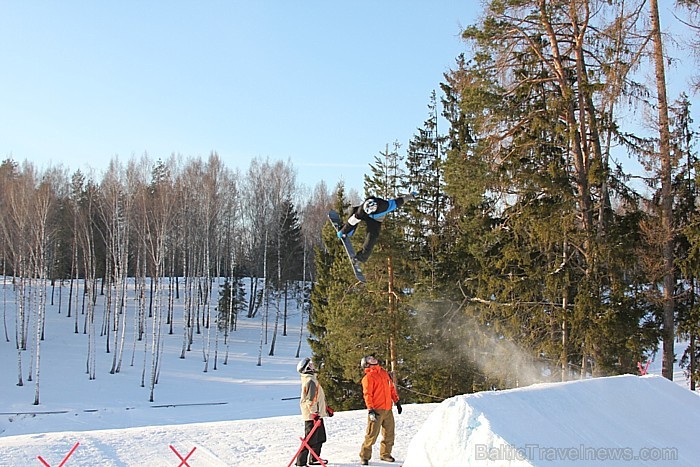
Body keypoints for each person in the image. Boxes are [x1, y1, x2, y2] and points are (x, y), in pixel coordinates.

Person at [337, 193, 416, 264]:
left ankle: (361, 258)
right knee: (354, 211)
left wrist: (410, 196)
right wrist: (343, 231)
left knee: (371, 237)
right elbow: (353, 220)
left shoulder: (385, 205)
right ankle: (348, 232)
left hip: (376, 220)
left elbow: (400, 200)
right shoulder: (362, 210)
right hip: (364, 214)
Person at [358, 355, 402, 465]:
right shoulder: (368, 378)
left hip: (388, 409)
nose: (373, 359)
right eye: (369, 359)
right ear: (366, 364)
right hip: (376, 410)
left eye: (373, 358)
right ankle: (364, 456)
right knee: (372, 434)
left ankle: (385, 454)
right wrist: (370, 409)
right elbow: (367, 395)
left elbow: (391, 388)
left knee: (389, 434)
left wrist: (396, 401)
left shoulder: (384, 373)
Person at [296, 357, 334, 466]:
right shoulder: (310, 381)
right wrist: (314, 413)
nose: (313, 366)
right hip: (311, 416)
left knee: (320, 438)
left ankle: (314, 458)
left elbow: (318, 398)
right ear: (307, 368)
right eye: (311, 365)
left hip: (317, 414)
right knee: (309, 440)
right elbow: (310, 400)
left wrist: (325, 409)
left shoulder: (313, 379)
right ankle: (301, 462)